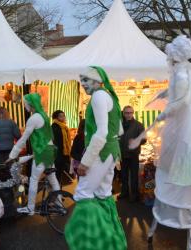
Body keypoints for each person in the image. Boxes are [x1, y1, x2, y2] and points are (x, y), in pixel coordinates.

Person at [133, 36, 191, 250]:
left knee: (180, 172)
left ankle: (182, 226)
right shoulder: (186, 71)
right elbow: (181, 94)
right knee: (175, 172)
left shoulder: (181, 74)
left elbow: (183, 101)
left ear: (175, 55)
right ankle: (171, 222)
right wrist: (165, 94)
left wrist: (163, 114)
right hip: (182, 131)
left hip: (181, 132)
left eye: (170, 54)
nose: (168, 58)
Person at [65, 66, 127, 250]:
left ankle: (91, 242)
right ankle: (110, 241)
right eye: (81, 80)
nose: (82, 84)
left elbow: (101, 133)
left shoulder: (99, 96)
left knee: (83, 193)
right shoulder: (110, 96)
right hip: (110, 151)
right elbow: (120, 130)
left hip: (101, 152)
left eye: (86, 79)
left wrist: (85, 162)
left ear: (97, 80)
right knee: (103, 194)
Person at [8, 93, 60, 215]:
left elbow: (23, 138)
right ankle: (59, 203)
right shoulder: (44, 115)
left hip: (41, 152)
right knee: (53, 178)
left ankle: (30, 208)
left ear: (31, 104)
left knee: (34, 179)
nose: (25, 105)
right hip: (50, 150)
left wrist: (12, 154)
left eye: (25, 103)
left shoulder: (34, 118)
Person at [118, 105, 145, 202]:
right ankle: (124, 193)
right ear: (123, 113)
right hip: (123, 154)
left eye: (130, 112)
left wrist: (136, 141)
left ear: (133, 113)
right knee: (124, 175)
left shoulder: (138, 125)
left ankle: (134, 195)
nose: (128, 115)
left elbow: (144, 139)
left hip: (133, 155)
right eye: (126, 113)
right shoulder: (119, 125)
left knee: (134, 176)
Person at [51, 110, 71, 183]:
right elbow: (53, 141)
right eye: (61, 116)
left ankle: (59, 186)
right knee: (57, 172)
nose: (63, 117)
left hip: (64, 153)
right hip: (58, 153)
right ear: (56, 117)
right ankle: (56, 189)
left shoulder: (64, 126)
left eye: (63, 116)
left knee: (61, 171)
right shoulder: (54, 127)